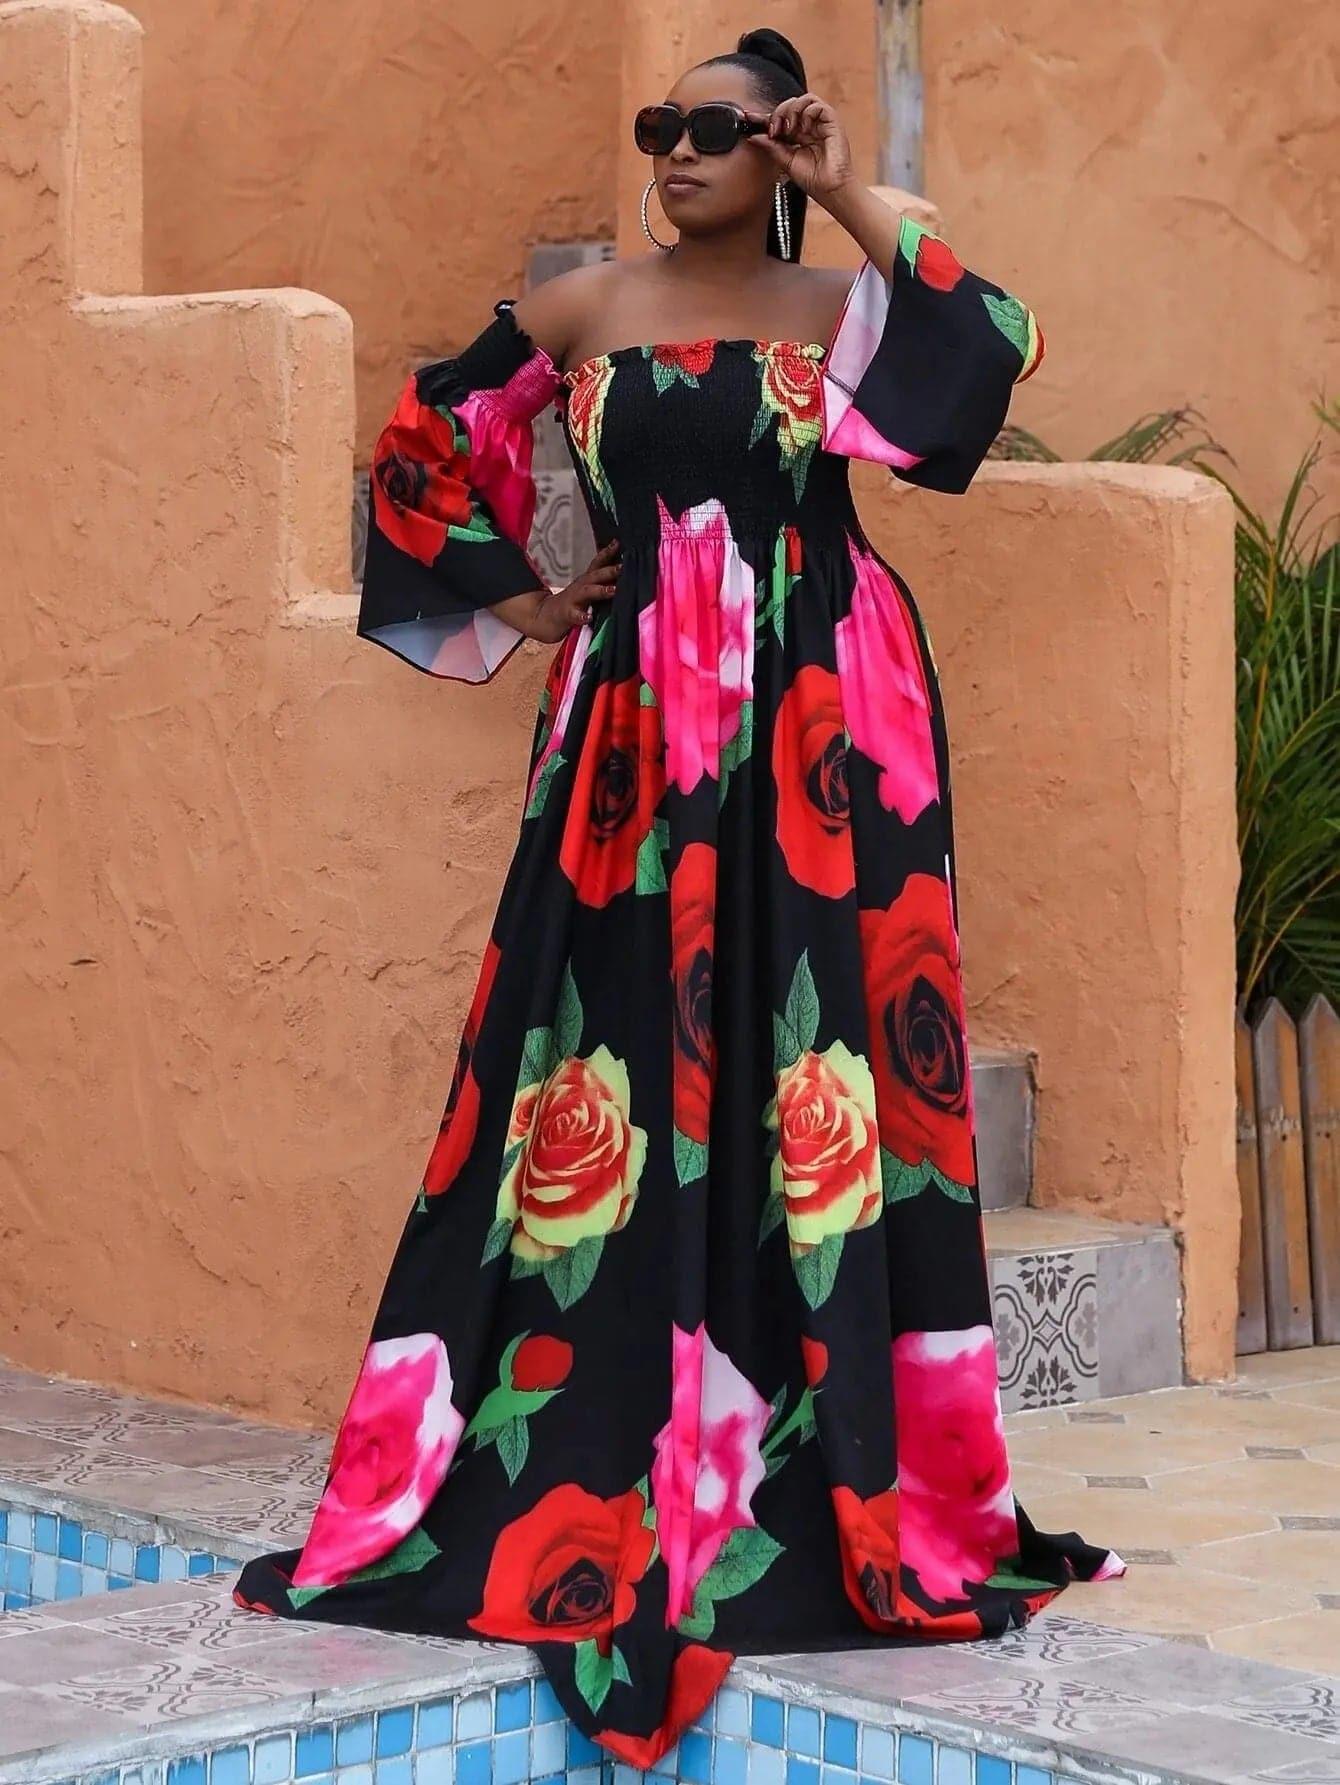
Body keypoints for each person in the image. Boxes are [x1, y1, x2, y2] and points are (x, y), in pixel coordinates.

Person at [234, 26, 1125, 1767]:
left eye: (722, 126)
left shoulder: (839, 308)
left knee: (824, 1080)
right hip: (636, 731)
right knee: (610, 1063)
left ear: (778, 146)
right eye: (664, 125)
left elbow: (992, 342)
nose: (680, 148)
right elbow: (424, 439)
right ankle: (606, 1439)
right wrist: (533, 597)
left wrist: (847, 191)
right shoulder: (584, 312)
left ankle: (823, 1459)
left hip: (825, 726)